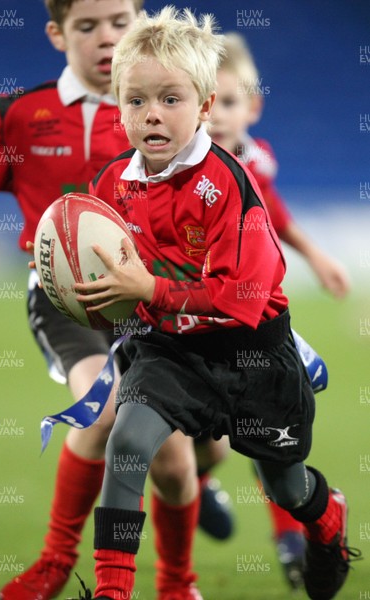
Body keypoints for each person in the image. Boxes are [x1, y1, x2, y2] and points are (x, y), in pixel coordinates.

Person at [70, 6, 360, 599]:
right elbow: (108, 288)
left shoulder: (229, 184)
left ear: (204, 107)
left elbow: (244, 300)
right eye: (136, 100)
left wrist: (147, 289)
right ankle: (111, 592)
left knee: (287, 489)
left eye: (171, 98)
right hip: (170, 351)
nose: (152, 113)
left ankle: (326, 518)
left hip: (253, 356)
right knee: (127, 443)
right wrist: (80, 289)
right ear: (117, 106)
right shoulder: (107, 188)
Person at [0, 2, 221, 599]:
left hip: (153, 304)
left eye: (119, 21)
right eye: (87, 26)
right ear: (57, 34)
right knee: (102, 412)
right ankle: (56, 561)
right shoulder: (21, 115)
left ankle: (179, 583)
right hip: (66, 301)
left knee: (177, 463)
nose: (107, 37)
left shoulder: (162, 108)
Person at [208, 31, 352, 590]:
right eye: (206, 100)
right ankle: (194, 496)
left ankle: (290, 537)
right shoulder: (180, 159)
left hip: (246, 315)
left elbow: (275, 208)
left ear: (253, 106)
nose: (216, 116)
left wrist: (314, 253)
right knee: (197, 437)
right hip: (192, 315)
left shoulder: (253, 161)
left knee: (263, 424)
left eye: (228, 102)